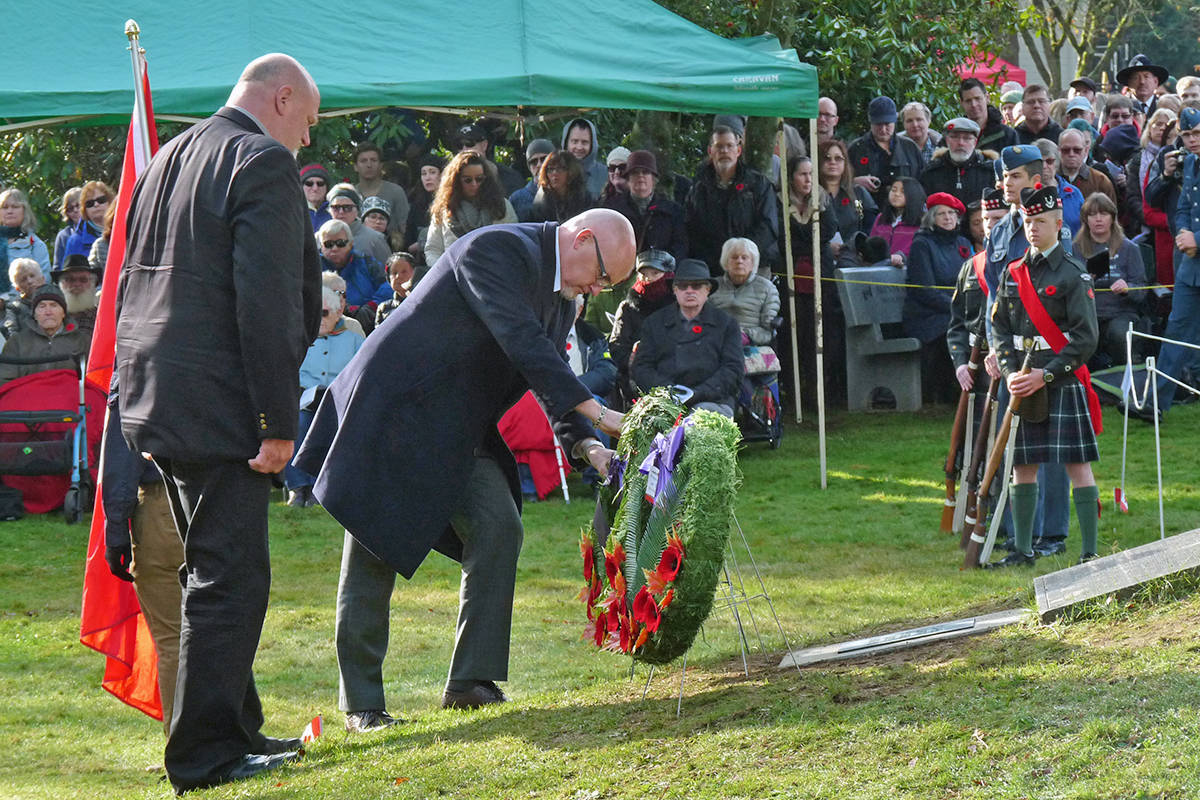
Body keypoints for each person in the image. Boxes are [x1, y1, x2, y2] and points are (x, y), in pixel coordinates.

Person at [292, 209, 633, 725]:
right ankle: (362, 704)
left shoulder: (562, 295)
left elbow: (546, 375)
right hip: (394, 412)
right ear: (583, 240)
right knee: (372, 552)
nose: (600, 288)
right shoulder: (496, 249)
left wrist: (591, 449)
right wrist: (603, 414)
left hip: (458, 428)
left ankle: (471, 680)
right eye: (605, 276)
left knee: (499, 527)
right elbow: (523, 342)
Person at [113, 53, 321, 794]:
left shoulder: (167, 157)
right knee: (229, 576)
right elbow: (265, 301)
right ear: (283, 97)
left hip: (154, 397)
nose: (307, 141)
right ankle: (204, 755)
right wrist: (275, 418)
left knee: (212, 564)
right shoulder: (260, 161)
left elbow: (133, 283)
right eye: (308, 123)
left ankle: (232, 726)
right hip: (217, 403)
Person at [989, 184, 1101, 567]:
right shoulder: (1013, 271)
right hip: (1022, 380)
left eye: (1040, 221)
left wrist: (1046, 375)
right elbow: (999, 328)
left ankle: (1089, 553)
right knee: (1022, 467)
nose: (1032, 228)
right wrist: (1008, 373)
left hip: (1061, 380)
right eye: (1027, 220)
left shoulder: (1072, 274)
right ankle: (1023, 550)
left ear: (1057, 222)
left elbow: (1086, 339)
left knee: (1077, 466)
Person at [100, 376, 185, 738]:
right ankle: (230, 739)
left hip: (164, 502)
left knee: (174, 638)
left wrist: (116, 525)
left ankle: (186, 746)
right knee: (222, 630)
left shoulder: (138, 343)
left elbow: (124, 443)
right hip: (222, 496)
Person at [1133, 106, 1200, 422]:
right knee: (1175, 332)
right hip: (1189, 265)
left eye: (1197, 133)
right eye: (1186, 135)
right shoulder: (1189, 164)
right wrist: (1185, 230)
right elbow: (1183, 206)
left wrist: (1196, 238)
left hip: (1192, 252)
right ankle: (1155, 403)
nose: (1191, 140)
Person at [631, 258, 744, 417]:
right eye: (683, 286)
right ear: (674, 290)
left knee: (700, 424)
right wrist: (669, 391)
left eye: (696, 286)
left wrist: (698, 393)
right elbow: (641, 368)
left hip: (714, 400)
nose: (689, 290)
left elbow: (733, 370)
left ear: (708, 290)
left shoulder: (726, 324)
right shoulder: (654, 323)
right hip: (664, 401)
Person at [284, 286, 364, 507]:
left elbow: (363, 374)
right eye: (313, 312)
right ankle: (299, 488)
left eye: (324, 313)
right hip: (304, 402)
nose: (318, 318)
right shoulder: (298, 340)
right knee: (298, 424)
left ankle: (322, 489)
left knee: (338, 427)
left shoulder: (354, 340)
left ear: (339, 313)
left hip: (341, 404)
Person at [902, 192, 973, 404]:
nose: (948, 217)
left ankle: (971, 393)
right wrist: (958, 308)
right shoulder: (922, 244)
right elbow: (923, 290)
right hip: (927, 314)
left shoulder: (962, 242)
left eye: (951, 213)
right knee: (955, 330)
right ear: (931, 218)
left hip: (957, 311)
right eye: (941, 213)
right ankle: (950, 395)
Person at [685, 125, 779, 276]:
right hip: (713, 269)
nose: (724, 151)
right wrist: (721, 257)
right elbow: (692, 230)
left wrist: (741, 254)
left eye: (729, 146)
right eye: (719, 146)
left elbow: (768, 225)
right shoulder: (698, 188)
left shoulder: (758, 184)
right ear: (710, 151)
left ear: (738, 150)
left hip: (754, 267)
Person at [1073, 193, 1148, 367]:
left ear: (1112, 217)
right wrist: (1082, 283)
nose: (1098, 219)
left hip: (1121, 313)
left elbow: (1142, 290)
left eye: (1104, 214)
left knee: (1118, 333)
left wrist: (1128, 288)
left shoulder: (1129, 248)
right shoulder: (1076, 249)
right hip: (1088, 314)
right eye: (1092, 215)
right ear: (1086, 219)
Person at [424, 150, 518, 268]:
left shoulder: (501, 205)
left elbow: (512, 245)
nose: (474, 184)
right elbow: (433, 249)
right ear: (456, 181)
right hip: (454, 276)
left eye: (479, 179)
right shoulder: (443, 209)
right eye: (468, 180)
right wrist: (445, 271)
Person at [608, 249, 677, 405]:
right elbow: (617, 346)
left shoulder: (680, 307)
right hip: (636, 381)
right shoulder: (627, 308)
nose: (649, 279)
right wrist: (634, 359)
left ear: (668, 276)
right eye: (644, 274)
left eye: (655, 273)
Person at [602, 149, 687, 261]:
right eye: (635, 172)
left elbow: (680, 247)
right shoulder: (612, 210)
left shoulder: (673, 211)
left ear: (654, 179)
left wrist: (662, 268)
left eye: (645, 172)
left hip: (664, 274)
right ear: (628, 179)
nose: (640, 176)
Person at [0, 284, 89, 383]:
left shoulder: (81, 341)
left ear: (63, 313)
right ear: (34, 314)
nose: (48, 312)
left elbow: (92, 380)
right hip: (28, 397)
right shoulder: (17, 342)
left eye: (53, 305)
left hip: (71, 397)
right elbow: (5, 381)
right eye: (42, 306)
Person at [848, 95, 925, 208]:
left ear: (895, 121)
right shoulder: (856, 149)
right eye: (878, 124)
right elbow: (838, 183)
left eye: (888, 124)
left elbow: (923, 183)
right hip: (867, 215)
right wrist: (855, 182)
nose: (883, 129)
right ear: (870, 121)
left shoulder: (909, 148)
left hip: (905, 216)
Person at [317, 218, 390, 331]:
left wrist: (372, 306)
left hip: (365, 323)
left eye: (340, 243)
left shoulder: (366, 262)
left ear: (351, 244)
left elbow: (388, 285)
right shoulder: (312, 267)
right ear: (321, 247)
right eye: (328, 244)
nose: (334, 248)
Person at [818, 138, 878, 265]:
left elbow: (869, 225)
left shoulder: (858, 194)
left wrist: (857, 247)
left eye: (838, 158)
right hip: (819, 259)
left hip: (854, 258)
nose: (832, 162)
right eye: (827, 158)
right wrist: (825, 246)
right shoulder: (810, 194)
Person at [710, 237, 780, 345]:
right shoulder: (712, 286)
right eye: (734, 257)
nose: (739, 261)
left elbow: (768, 330)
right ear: (726, 262)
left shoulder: (767, 288)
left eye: (744, 257)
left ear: (753, 263)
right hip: (717, 343)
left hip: (752, 345)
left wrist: (746, 336)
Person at [920, 117, 996, 210]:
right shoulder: (931, 172)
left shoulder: (989, 172)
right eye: (955, 137)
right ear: (947, 141)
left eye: (967, 138)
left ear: (975, 142)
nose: (960, 143)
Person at [353, 141, 409, 249]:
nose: (369, 165)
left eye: (373, 160)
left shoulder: (396, 191)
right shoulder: (351, 194)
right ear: (355, 166)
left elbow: (405, 227)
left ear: (381, 165)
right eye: (363, 161)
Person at [325, 183, 391, 265]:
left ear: (357, 210)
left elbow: (387, 273)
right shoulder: (319, 238)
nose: (341, 212)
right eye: (336, 207)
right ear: (329, 210)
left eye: (347, 208)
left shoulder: (375, 239)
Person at [868, 177, 926, 267]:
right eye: (893, 190)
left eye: (903, 192)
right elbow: (872, 242)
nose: (896, 194)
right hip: (879, 268)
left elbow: (920, 247)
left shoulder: (922, 221)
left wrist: (901, 256)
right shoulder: (881, 218)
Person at [1, 188, 51, 285]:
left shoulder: (35, 245)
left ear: (24, 210)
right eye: (4, 207)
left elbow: (44, 280)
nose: (10, 211)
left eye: (15, 207)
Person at [529, 150, 593, 224]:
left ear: (571, 171)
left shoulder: (584, 197)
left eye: (559, 169)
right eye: (550, 169)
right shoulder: (541, 201)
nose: (554, 173)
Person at [959, 78, 1018, 153]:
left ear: (987, 98)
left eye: (977, 99)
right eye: (968, 101)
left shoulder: (1006, 134)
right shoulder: (955, 135)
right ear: (961, 103)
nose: (973, 104)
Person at [1058, 128, 1116, 205]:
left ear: (1086, 151)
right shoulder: (1051, 179)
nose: (1071, 154)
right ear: (1058, 151)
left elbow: (1111, 214)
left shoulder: (1101, 181)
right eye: (1066, 150)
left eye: (1077, 150)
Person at [63, 181, 113, 262]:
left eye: (101, 200)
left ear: (110, 201)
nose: (96, 205)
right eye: (90, 203)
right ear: (84, 210)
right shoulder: (75, 241)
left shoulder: (126, 230)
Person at [52, 254, 100, 336]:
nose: (77, 284)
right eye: (70, 279)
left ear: (92, 283)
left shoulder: (100, 318)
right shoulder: (51, 316)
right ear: (61, 284)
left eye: (83, 280)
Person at [561, 117, 608, 197]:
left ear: (592, 144)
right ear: (566, 143)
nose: (579, 147)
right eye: (574, 142)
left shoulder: (605, 174)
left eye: (584, 142)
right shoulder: (555, 172)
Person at [509, 139, 554, 222]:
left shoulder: (565, 192)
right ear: (529, 166)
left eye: (544, 159)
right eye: (533, 162)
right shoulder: (517, 199)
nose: (539, 165)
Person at [375, 252, 415, 327]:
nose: (398, 276)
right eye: (394, 273)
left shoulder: (423, 300)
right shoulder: (383, 308)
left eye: (404, 272)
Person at [899, 101, 942, 167]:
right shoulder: (895, 146)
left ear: (928, 121)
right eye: (909, 121)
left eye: (919, 119)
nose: (915, 125)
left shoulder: (942, 146)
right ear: (903, 124)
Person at [52, 187, 82, 271]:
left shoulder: (97, 229)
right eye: (70, 208)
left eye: (78, 206)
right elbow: (57, 268)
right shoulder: (64, 236)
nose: (75, 210)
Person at [300, 163, 331, 230]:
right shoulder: (292, 212)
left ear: (326, 187)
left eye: (320, 184)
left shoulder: (336, 211)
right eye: (309, 183)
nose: (315, 188)